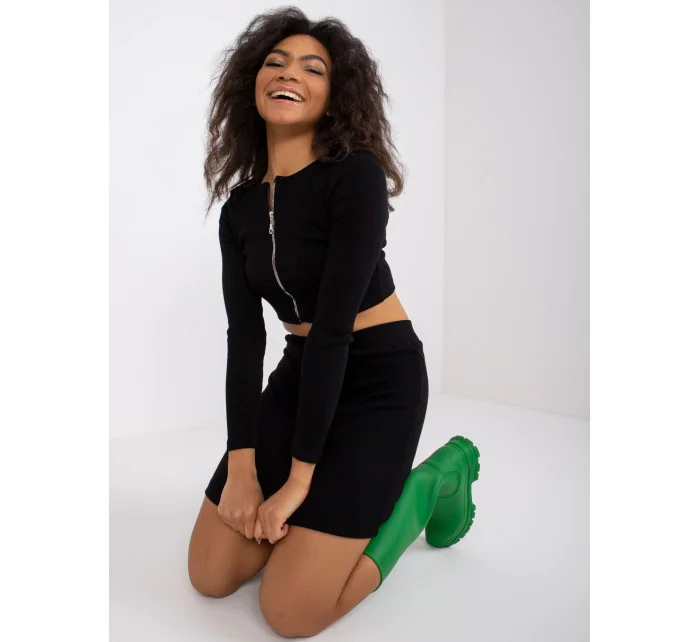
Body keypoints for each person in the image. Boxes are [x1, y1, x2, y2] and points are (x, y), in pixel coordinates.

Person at [187, 7, 480, 637]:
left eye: (312, 68)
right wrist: (242, 471)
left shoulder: (356, 177)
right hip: (303, 375)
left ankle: (426, 485)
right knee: (211, 574)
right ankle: (324, 515)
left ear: (335, 95)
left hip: (377, 381)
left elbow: (335, 332)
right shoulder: (239, 208)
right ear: (251, 82)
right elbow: (246, 340)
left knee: (291, 612)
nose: (289, 73)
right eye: (275, 62)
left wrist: (298, 482)